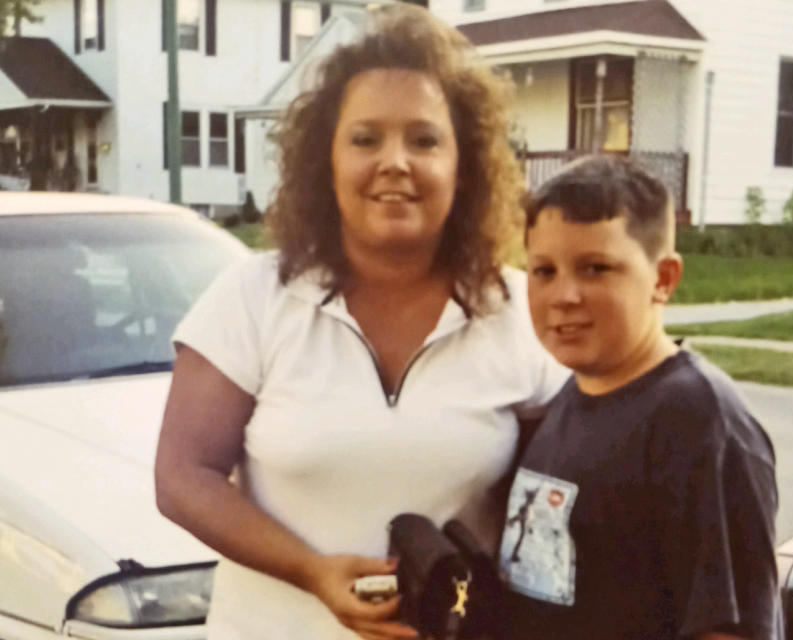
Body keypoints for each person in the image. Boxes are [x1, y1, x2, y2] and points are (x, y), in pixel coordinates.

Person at [153, 6, 567, 640]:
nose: (395, 162)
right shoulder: (254, 296)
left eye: (425, 140)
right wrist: (311, 571)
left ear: (465, 164)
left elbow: (558, 499)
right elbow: (183, 477)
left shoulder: (517, 310)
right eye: (366, 138)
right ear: (328, 159)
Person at [499, 155, 782, 639]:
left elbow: (727, 626)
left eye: (595, 269)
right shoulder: (570, 396)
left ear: (664, 278)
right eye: (543, 271)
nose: (564, 295)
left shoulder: (697, 421)